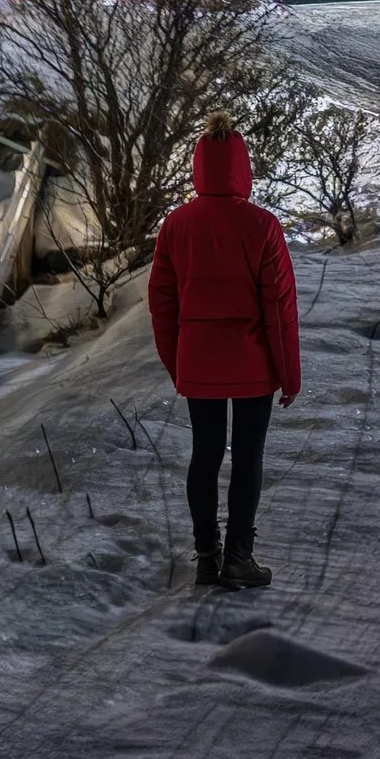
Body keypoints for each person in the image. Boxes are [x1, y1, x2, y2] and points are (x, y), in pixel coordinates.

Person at [146, 108, 302, 590]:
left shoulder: (176, 225)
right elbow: (280, 307)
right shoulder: (262, 226)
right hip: (253, 363)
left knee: (205, 455)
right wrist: (289, 375)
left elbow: (162, 303)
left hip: (200, 361)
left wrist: (179, 363)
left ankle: (206, 558)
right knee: (248, 456)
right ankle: (239, 557)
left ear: (198, 165)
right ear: (242, 166)